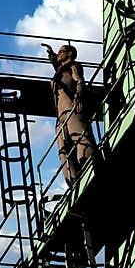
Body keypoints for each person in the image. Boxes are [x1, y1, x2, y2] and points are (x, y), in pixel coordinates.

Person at [42, 43, 95, 185]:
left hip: (72, 109)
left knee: (80, 136)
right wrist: (51, 55)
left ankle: (88, 164)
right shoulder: (60, 71)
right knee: (63, 149)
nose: (59, 54)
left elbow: (79, 81)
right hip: (60, 116)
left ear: (70, 54)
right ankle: (72, 179)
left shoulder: (74, 66)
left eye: (61, 51)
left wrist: (78, 96)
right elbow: (58, 69)